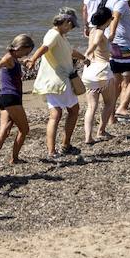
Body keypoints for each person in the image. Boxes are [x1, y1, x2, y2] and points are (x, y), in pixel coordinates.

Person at [29, 9, 87, 158]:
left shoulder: (60, 36)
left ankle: (53, 150)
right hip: (59, 81)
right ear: (67, 23)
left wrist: (84, 58)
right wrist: (33, 59)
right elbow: (44, 47)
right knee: (71, 111)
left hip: (53, 82)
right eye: (72, 26)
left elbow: (69, 51)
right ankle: (63, 146)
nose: (72, 29)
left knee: (57, 113)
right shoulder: (54, 34)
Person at [0, 34, 36, 168]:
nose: (26, 55)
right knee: (24, 129)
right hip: (12, 98)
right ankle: (14, 158)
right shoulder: (8, 57)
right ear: (20, 47)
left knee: (4, 131)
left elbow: (14, 63)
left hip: (5, 98)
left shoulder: (13, 58)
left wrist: (23, 62)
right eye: (26, 52)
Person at [81, 5, 115, 144]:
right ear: (107, 20)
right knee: (109, 103)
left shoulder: (93, 30)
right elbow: (95, 45)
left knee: (91, 106)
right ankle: (101, 131)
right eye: (111, 18)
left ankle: (88, 137)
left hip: (89, 72)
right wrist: (87, 54)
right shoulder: (100, 32)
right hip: (102, 71)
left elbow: (97, 43)